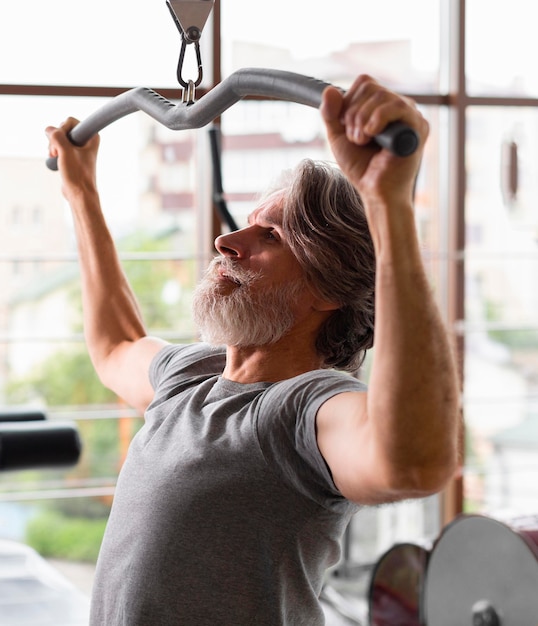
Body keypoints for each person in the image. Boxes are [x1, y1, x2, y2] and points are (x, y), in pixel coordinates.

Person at [45, 74, 461, 626]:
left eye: (272, 238)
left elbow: (412, 463)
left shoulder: (302, 409)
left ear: (327, 290)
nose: (227, 243)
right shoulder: (192, 374)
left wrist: (387, 204)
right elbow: (115, 342)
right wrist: (81, 192)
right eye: (248, 225)